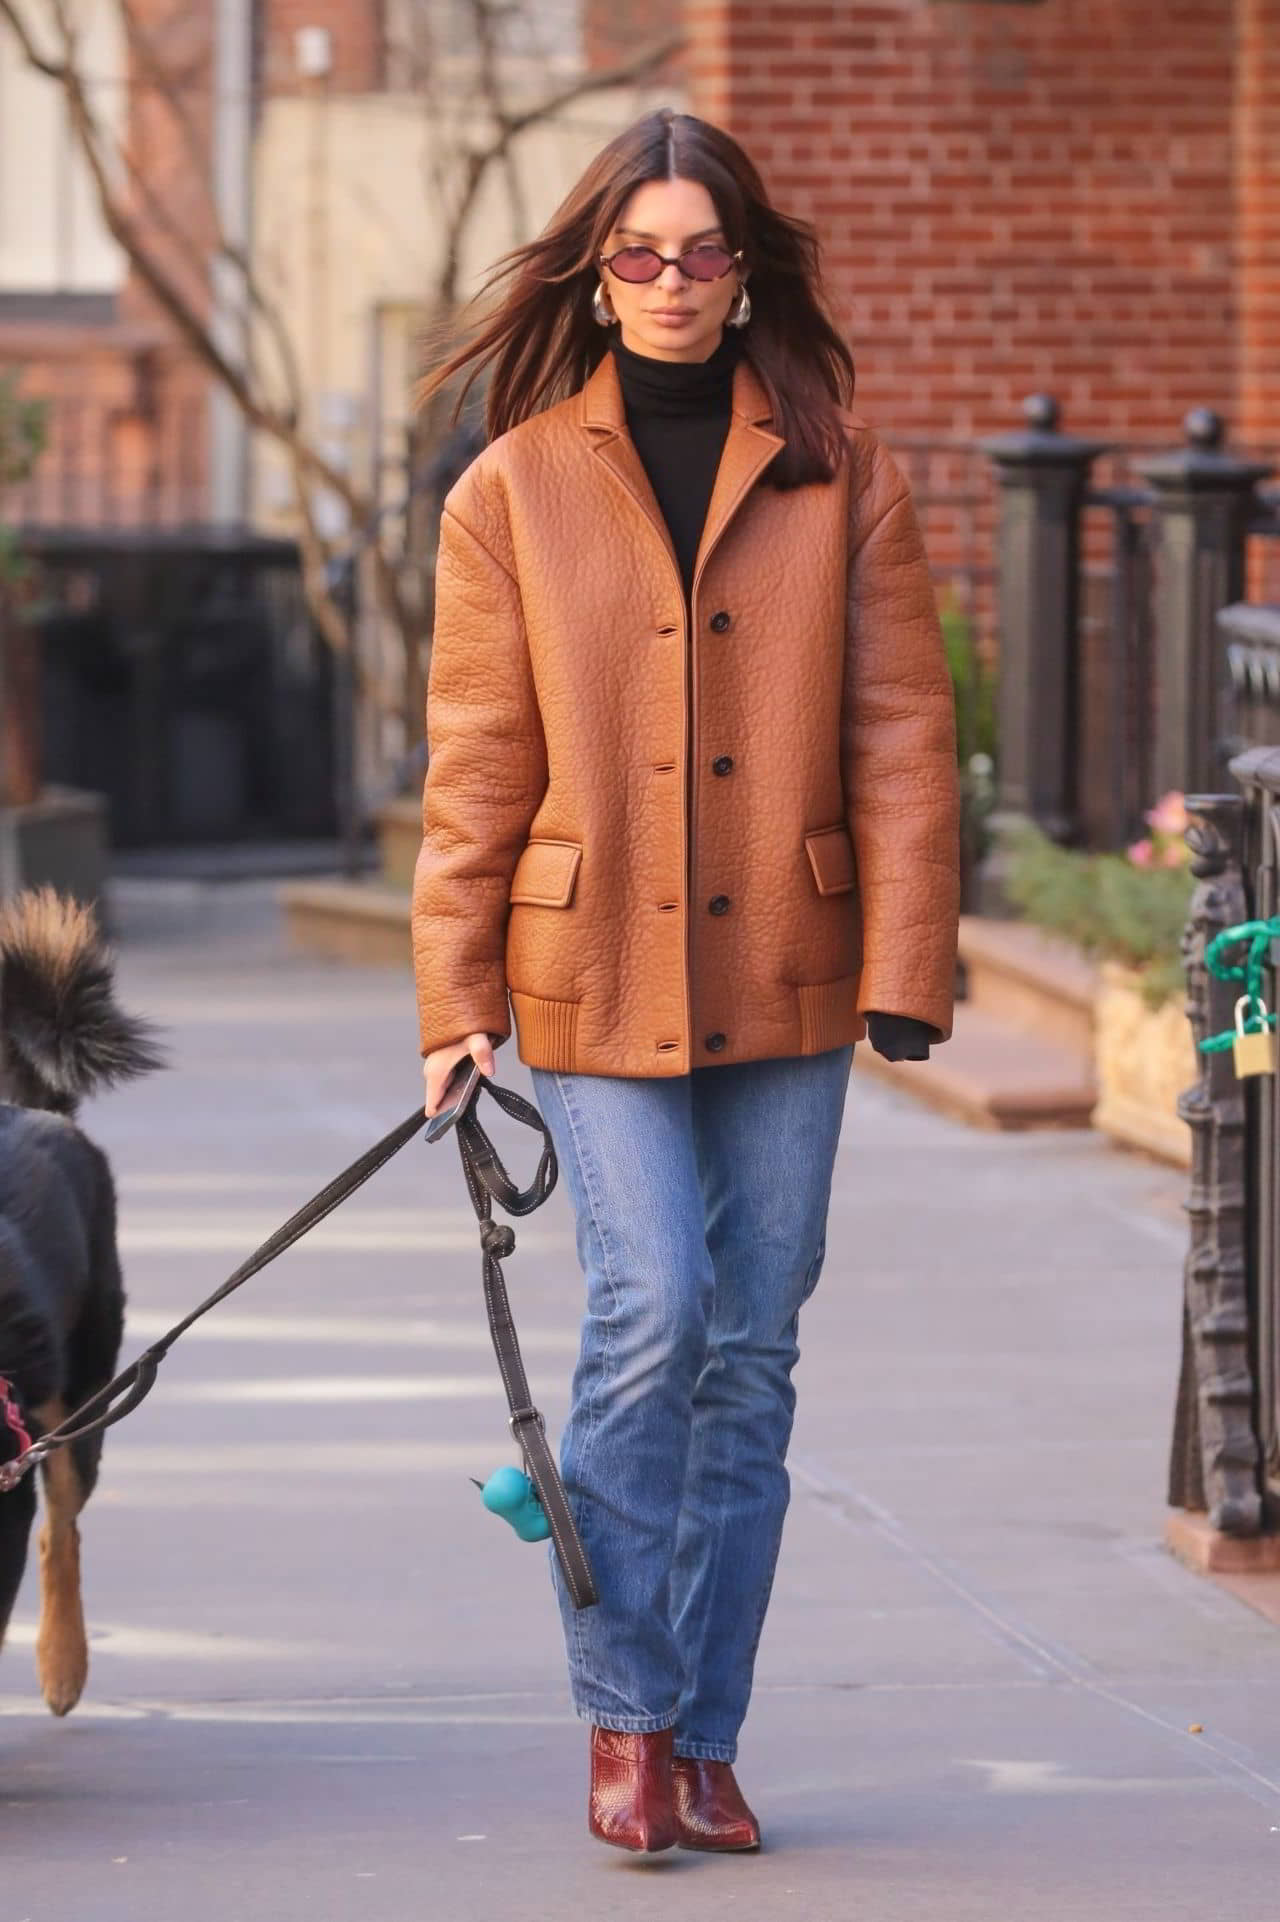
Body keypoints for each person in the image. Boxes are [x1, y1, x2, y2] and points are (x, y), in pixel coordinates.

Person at [411, 107, 961, 1857]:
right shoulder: (508, 487)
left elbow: (901, 733)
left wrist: (905, 963)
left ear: (747, 272)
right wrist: (451, 998)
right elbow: (477, 759)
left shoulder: (840, 469)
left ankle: (709, 1733)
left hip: (792, 964)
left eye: (702, 252)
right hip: (587, 963)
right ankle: (625, 1718)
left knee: (753, 1343)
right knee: (652, 1305)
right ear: (596, 269)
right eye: (636, 253)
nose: (669, 281)